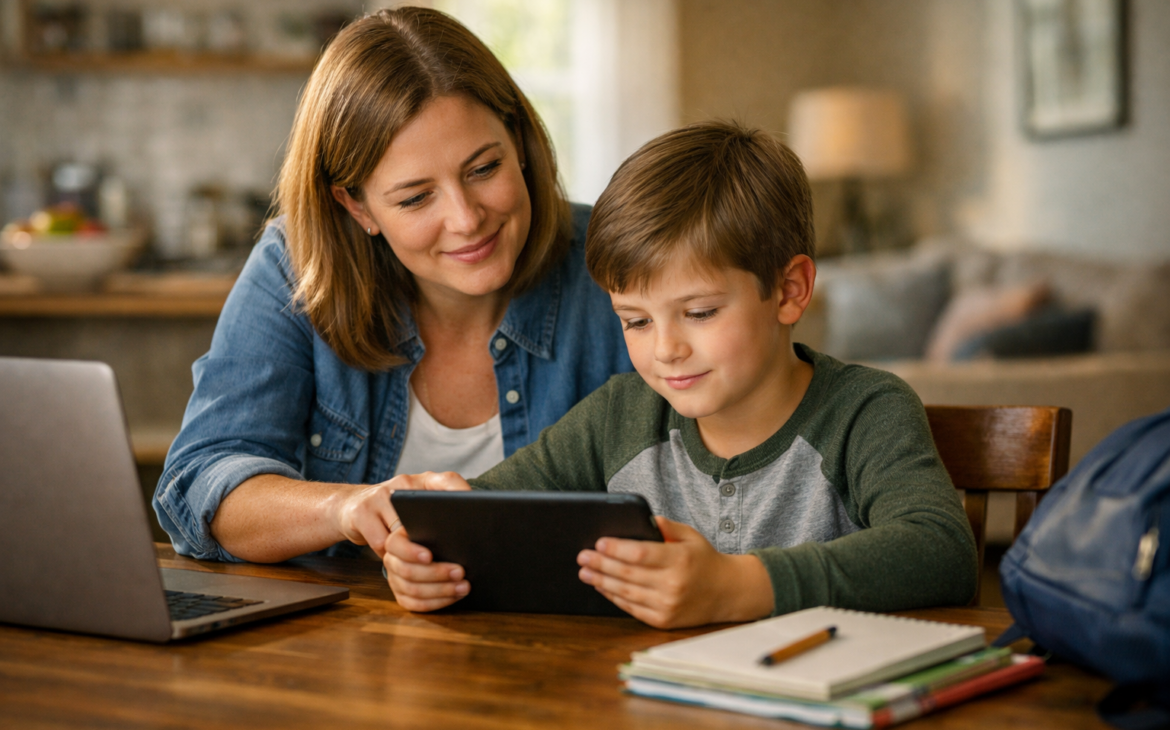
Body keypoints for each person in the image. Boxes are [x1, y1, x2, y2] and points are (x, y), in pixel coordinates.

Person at [382, 120, 979, 628]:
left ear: (789, 291)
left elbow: (940, 550)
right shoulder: (620, 414)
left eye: (698, 313)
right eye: (635, 321)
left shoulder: (865, 412)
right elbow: (484, 511)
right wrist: (424, 556)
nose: (665, 350)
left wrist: (736, 586)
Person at [153, 7, 631, 565]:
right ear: (356, 205)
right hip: (350, 645)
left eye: (483, 169)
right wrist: (348, 509)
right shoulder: (296, 269)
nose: (465, 218)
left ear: (519, 142)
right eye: (415, 198)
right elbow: (201, 483)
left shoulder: (616, 259)